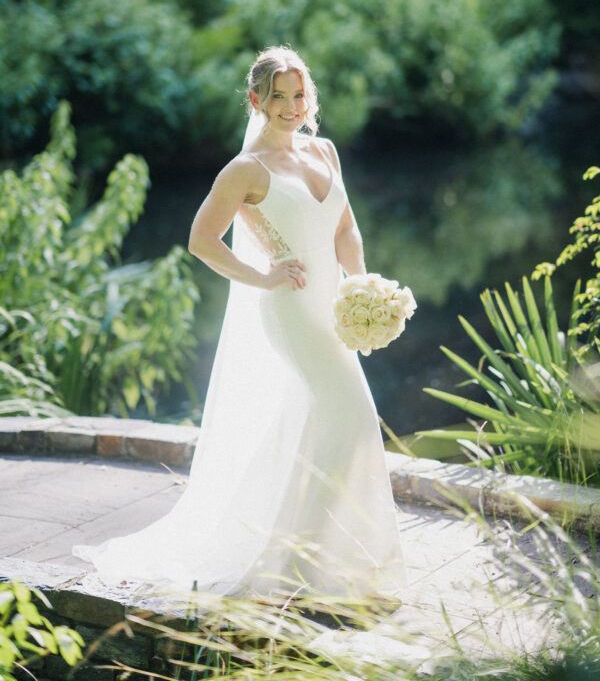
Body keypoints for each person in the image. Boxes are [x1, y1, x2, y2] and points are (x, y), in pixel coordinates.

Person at [73, 46, 405, 601]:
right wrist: (263, 276)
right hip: (292, 309)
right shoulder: (246, 170)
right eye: (279, 96)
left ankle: (323, 557)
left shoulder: (325, 151)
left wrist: (361, 285)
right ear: (257, 100)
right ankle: (294, 565)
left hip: (334, 307)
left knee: (319, 421)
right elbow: (201, 240)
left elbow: (345, 229)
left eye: (300, 95)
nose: (292, 106)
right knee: (353, 411)